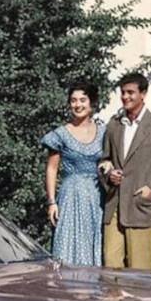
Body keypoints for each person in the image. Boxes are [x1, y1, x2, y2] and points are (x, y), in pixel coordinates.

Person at [99, 72, 151, 271]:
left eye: (131, 92)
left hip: (140, 206)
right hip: (115, 206)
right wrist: (108, 172)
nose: (125, 97)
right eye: (123, 93)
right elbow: (105, 159)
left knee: (140, 271)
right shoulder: (114, 125)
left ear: (143, 94)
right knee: (110, 268)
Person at [41, 79, 106, 266]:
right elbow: (52, 168)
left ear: (92, 103)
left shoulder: (104, 133)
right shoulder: (60, 134)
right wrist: (52, 202)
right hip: (70, 197)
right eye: (74, 100)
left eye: (82, 100)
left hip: (96, 197)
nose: (78, 105)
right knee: (69, 244)